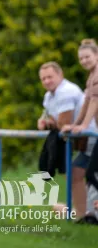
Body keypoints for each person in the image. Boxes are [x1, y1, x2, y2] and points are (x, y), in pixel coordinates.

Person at [37, 61, 88, 215]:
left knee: (77, 176)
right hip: (82, 140)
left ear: (60, 75)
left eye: (50, 77)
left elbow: (63, 123)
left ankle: (83, 214)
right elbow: (48, 121)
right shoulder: (49, 95)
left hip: (89, 138)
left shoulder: (66, 91)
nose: (46, 81)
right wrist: (50, 122)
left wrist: (51, 123)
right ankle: (82, 214)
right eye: (43, 78)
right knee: (74, 175)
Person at [62, 39, 98, 224]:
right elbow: (86, 102)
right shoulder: (91, 76)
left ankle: (91, 215)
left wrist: (84, 125)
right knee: (84, 172)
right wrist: (74, 124)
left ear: (96, 55)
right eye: (81, 58)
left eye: (87, 57)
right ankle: (88, 215)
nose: (84, 61)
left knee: (91, 173)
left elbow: (94, 102)